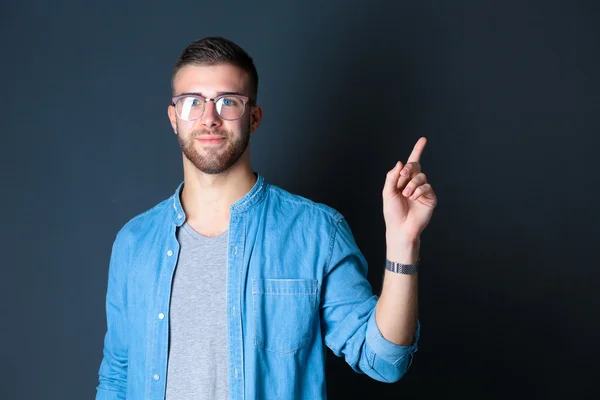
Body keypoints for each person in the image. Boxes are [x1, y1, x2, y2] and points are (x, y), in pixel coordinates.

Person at [95, 36, 437, 400]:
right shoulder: (134, 242)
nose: (209, 118)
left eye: (228, 102)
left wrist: (404, 244)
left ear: (254, 117)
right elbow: (117, 377)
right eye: (192, 102)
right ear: (173, 118)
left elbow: (384, 361)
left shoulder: (317, 232)